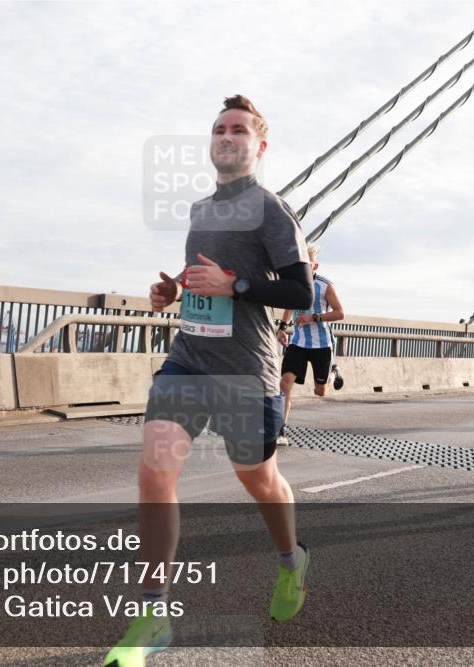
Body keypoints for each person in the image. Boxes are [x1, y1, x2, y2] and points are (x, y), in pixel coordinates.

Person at [104, 95, 313, 667]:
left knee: (260, 481)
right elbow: (206, 271)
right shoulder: (201, 209)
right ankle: (153, 615)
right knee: (154, 473)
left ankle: (292, 557)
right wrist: (174, 289)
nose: (227, 136)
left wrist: (236, 288)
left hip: (247, 368)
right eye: (219, 129)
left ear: (258, 146)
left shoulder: (271, 210)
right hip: (189, 360)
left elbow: (300, 292)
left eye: (239, 130)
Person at [275, 244, 345, 446]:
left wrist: (314, 317)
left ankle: (333, 372)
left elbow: (340, 313)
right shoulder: (293, 284)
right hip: (298, 342)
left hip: (321, 345)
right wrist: (282, 327)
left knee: (320, 392)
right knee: (285, 383)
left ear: (315, 266)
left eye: (306, 265)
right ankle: (281, 431)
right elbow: (289, 306)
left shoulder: (325, 285)